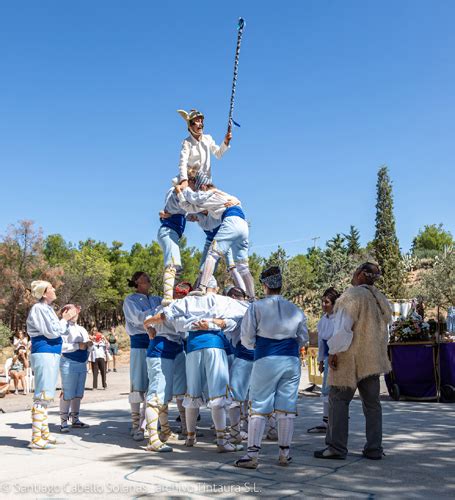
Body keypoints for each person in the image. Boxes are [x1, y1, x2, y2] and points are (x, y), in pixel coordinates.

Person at [144, 278, 247, 452]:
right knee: (218, 394)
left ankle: (190, 437)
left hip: (192, 349)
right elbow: (242, 313)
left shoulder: (186, 302)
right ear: (212, 288)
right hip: (214, 346)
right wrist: (214, 323)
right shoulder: (219, 300)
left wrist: (147, 323)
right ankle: (221, 440)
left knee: (191, 394)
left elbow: (167, 317)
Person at [314, 262, 392, 461]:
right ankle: (374, 448)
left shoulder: (351, 296)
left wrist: (333, 352)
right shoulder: (381, 299)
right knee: (373, 405)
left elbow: (343, 330)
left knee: (338, 401)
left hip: (349, 358)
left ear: (359, 274)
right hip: (372, 360)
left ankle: (336, 448)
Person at [234, 266, 308, 469]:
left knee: (258, 405)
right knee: (286, 407)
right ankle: (284, 453)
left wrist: (258, 346)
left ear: (265, 285)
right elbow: (303, 338)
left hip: (266, 358)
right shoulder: (295, 309)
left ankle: (252, 455)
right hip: (291, 360)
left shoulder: (256, 307)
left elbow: (246, 338)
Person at [175, 174, 255, 299]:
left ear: (202, 186)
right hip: (244, 226)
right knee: (243, 267)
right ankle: (252, 297)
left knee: (212, 254)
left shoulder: (208, 194)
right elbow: (195, 208)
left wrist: (181, 189)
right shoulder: (223, 194)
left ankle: (202, 287)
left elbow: (190, 202)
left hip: (231, 222)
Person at [26, 280, 76, 449]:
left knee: (47, 395)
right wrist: (64, 319)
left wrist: (63, 321)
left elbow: (59, 331)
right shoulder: (38, 308)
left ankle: (43, 434)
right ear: (44, 292)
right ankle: (35, 438)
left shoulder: (47, 309)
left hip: (52, 352)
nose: (54, 290)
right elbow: (52, 331)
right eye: (51, 288)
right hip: (44, 352)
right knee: (42, 395)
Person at [143, 282, 191, 452]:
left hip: (176, 348)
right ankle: (152, 439)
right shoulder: (165, 307)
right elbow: (154, 319)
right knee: (157, 394)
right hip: (160, 350)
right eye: (179, 293)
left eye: (185, 293)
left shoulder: (184, 307)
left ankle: (166, 431)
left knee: (170, 394)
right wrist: (148, 326)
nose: (182, 295)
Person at [123, 272, 161, 441]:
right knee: (138, 383)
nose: (147, 278)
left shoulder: (156, 299)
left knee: (154, 382)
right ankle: (135, 424)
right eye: (143, 277)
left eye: (148, 276)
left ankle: (150, 422)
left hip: (155, 341)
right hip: (139, 342)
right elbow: (138, 318)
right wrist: (157, 312)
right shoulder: (130, 300)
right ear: (136, 281)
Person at [307, 288, 340, 434]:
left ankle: (333, 418)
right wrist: (320, 360)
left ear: (334, 303)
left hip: (338, 356)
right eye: (322, 302)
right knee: (326, 388)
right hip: (328, 357)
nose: (323, 304)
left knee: (335, 388)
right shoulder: (323, 321)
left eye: (327, 302)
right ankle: (326, 419)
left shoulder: (339, 320)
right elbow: (321, 342)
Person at [176, 109, 231, 183]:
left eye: (201, 121)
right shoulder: (187, 142)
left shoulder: (208, 138)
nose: (200, 124)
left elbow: (219, 154)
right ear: (190, 125)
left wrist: (226, 141)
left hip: (206, 182)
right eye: (197, 121)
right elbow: (182, 162)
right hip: (191, 181)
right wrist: (184, 180)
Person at [59, 304, 91, 432]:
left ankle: (75, 419)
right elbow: (61, 346)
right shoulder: (61, 327)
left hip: (82, 363)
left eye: (76, 311)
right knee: (67, 392)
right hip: (68, 362)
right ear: (65, 312)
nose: (75, 314)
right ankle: (63, 421)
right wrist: (78, 346)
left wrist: (89, 345)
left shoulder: (82, 329)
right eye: (72, 311)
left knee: (78, 393)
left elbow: (87, 345)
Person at [157, 186, 187, 306]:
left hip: (170, 233)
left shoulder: (182, 208)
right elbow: (178, 190)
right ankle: (168, 298)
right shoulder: (176, 199)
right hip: (168, 232)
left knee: (176, 267)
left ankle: (172, 295)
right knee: (172, 263)